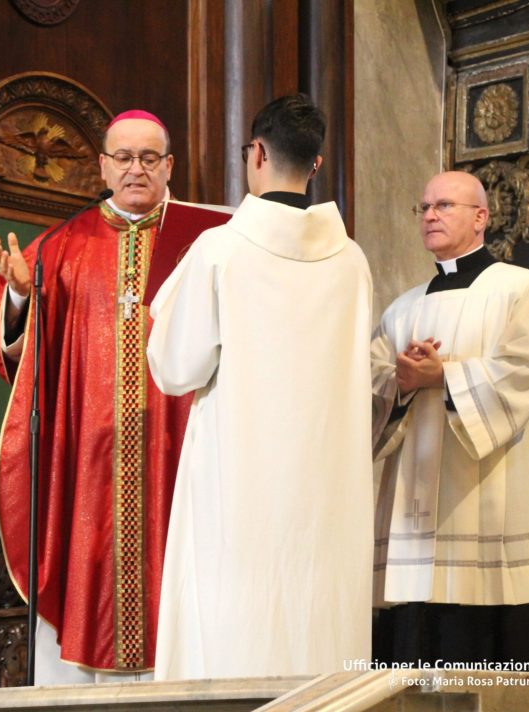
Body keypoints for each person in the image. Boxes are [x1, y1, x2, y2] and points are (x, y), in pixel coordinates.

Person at [0, 110, 229, 683]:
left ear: (169, 167)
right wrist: (20, 297)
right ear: (103, 167)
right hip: (88, 459)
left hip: (179, 449)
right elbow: (3, 334)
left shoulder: (207, 243)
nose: (136, 169)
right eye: (124, 158)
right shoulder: (62, 246)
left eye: (148, 158)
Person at [147, 94, 374, 680]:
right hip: (326, 493)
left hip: (237, 486)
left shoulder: (221, 250)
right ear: (317, 164)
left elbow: (174, 369)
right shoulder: (351, 261)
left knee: (232, 640)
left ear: (258, 153)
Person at [371, 170, 529, 712]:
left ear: (481, 217)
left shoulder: (521, 289)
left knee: (494, 647)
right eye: (425, 207)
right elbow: (370, 387)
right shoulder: (401, 308)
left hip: (492, 504)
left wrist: (444, 377)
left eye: (445, 205)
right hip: (416, 517)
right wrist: (401, 383)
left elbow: (524, 372)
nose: (431, 215)